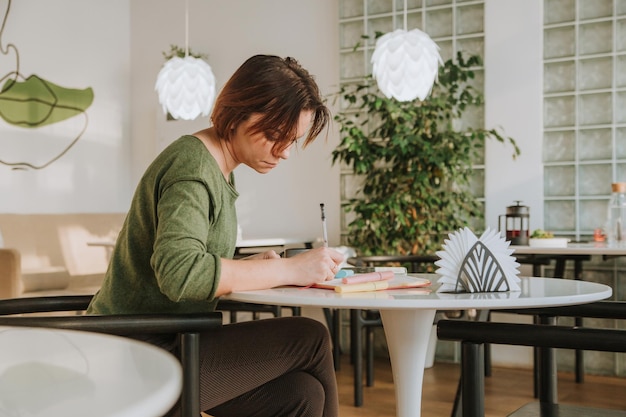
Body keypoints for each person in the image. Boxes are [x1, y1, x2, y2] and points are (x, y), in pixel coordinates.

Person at [87, 55, 344, 417]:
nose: (284, 152)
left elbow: (189, 260)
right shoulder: (192, 167)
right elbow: (181, 273)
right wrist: (291, 270)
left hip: (167, 341)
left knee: (301, 395)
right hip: (133, 353)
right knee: (311, 336)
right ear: (238, 113)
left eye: (291, 141)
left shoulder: (218, 170)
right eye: (275, 136)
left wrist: (248, 267)